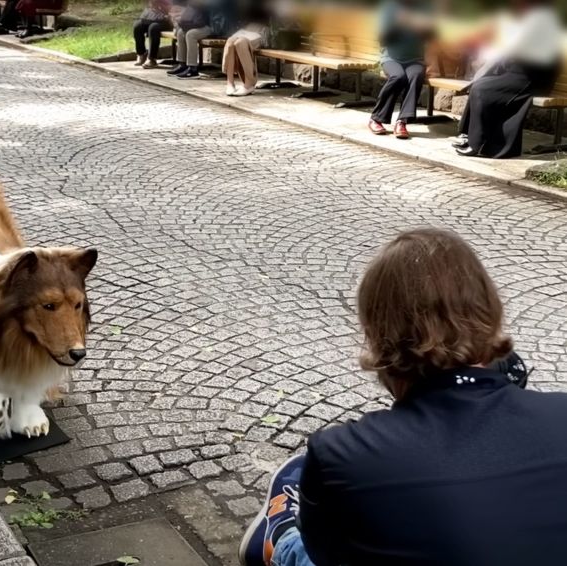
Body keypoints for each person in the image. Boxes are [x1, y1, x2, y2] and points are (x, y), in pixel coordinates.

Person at [239, 228, 567, 566]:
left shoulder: (340, 452)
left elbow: (330, 554)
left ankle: (276, 537)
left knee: (302, 548)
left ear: (376, 335)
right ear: (491, 312)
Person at [453, 0, 562, 158]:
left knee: (482, 89)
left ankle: (477, 144)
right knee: (480, 84)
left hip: (532, 77)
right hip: (519, 72)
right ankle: (468, 134)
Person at [368, 0, 434, 139]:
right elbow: (383, 39)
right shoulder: (389, 7)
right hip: (391, 59)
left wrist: (422, 27)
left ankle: (402, 121)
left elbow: (431, 36)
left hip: (415, 59)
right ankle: (376, 118)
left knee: (416, 76)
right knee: (398, 77)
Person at [222, 0, 271, 96]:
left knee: (241, 43)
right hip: (246, 29)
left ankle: (249, 84)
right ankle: (230, 83)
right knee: (230, 41)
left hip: (261, 31)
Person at [167, 0, 211, 79]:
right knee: (180, 33)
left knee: (191, 34)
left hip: (210, 25)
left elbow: (204, 14)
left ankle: (193, 69)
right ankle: (182, 65)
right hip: (197, 23)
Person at [133, 0, 173, 69]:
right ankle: (141, 54)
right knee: (137, 26)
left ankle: (152, 59)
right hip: (153, 17)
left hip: (167, 20)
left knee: (153, 28)